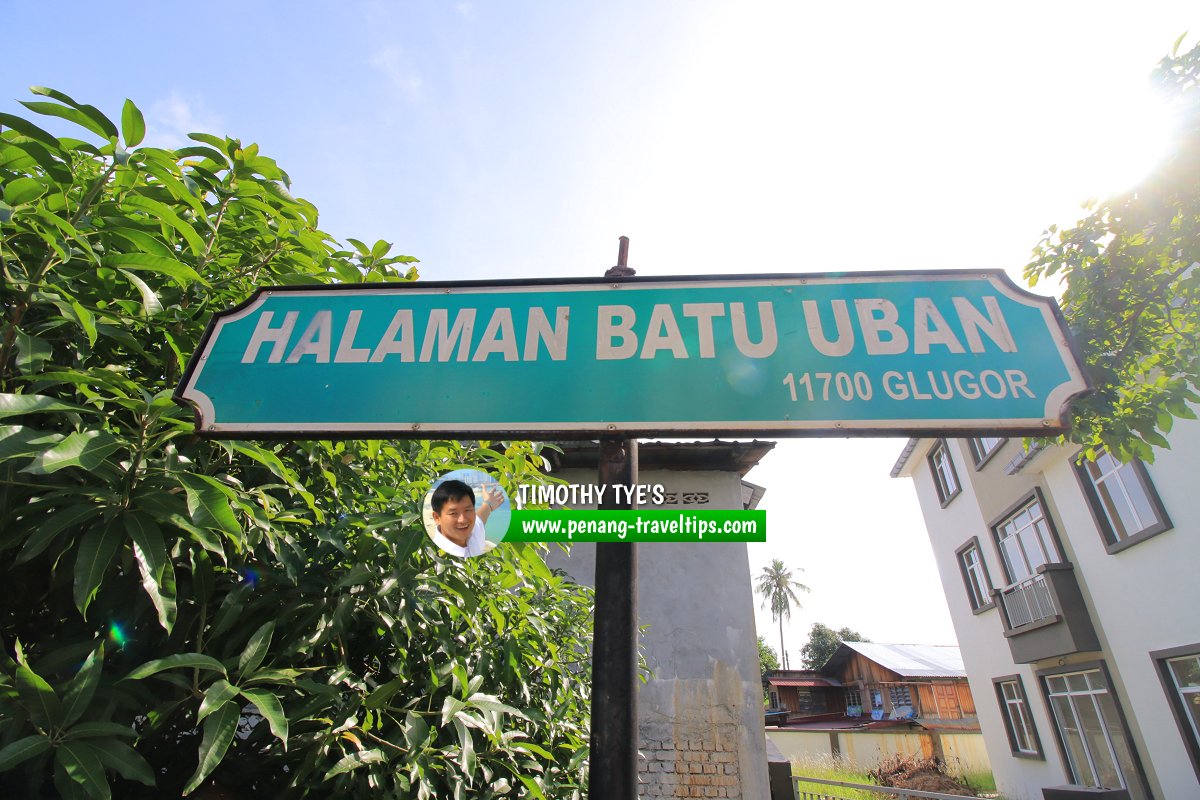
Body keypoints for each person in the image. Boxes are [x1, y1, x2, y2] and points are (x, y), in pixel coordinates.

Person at [429, 479, 502, 557]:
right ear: (437, 518)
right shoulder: (438, 557)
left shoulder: (473, 531)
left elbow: (479, 518)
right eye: (453, 513)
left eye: (467, 510)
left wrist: (488, 503)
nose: (463, 520)